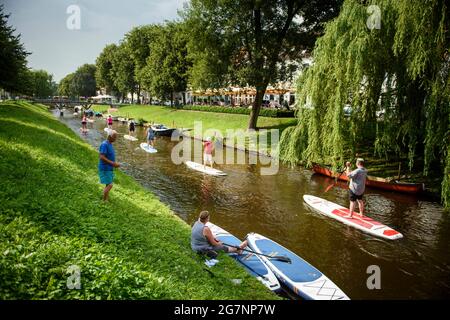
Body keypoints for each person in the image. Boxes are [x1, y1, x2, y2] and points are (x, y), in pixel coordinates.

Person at [98, 130, 120, 201]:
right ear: (110, 136)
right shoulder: (104, 144)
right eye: (114, 137)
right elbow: (101, 157)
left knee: (108, 184)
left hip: (109, 168)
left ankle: (106, 199)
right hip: (105, 168)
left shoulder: (110, 144)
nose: (115, 139)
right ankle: (104, 201)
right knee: (110, 185)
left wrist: (114, 163)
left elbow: (109, 156)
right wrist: (113, 163)